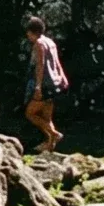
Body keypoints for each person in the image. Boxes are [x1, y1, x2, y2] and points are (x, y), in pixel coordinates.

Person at [22, 16, 68, 152]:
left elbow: (40, 65)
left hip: (45, 85)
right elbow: (57, 62)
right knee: (47, 118)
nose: (27, 35)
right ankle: (50, 147)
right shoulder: (51, 42)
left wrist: (38, 86)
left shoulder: (39, 44)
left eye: (28, 33)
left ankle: (54, 134)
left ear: (32, 32)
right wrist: (63, 76)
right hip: (55, 83)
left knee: (30, 113)